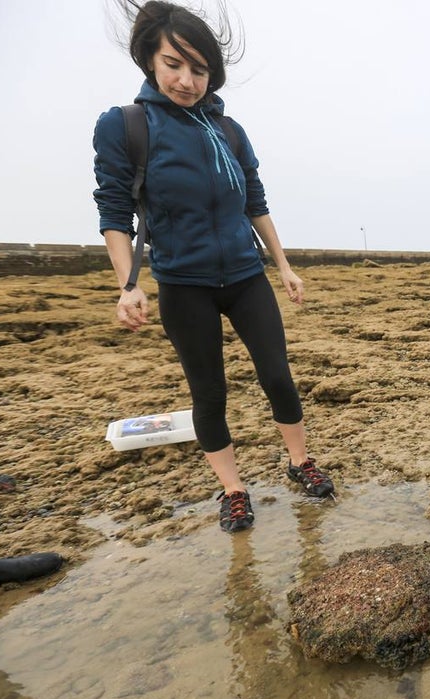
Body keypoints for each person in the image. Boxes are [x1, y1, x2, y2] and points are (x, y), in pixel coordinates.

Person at [93, 1, 334, 533]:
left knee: (278, 376)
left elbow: (255, 201)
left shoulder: (228, 130)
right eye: (174, 64)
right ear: (150, 63)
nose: (187, 79)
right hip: (184, 284)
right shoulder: (127, 125)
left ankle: (300, 462)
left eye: (199, 69)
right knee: (209, 392)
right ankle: (233, 489)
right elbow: (114, 210)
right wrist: (128, 285)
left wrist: (284, 267)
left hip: (246, 276)